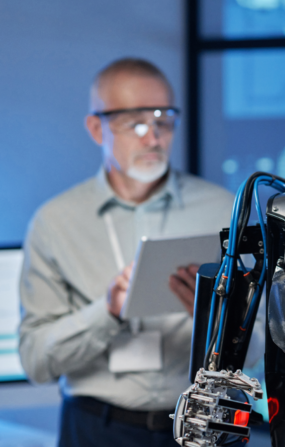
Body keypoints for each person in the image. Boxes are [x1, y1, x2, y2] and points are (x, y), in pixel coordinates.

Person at [18, 58, 233, 447]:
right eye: (134, 122)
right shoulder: (54, 222)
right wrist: (108, 312)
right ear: (96, 128)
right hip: (95, 427)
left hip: (200, 426)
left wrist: (210, 318)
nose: (153, 137)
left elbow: (254, 351)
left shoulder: (223, 210)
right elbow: (36, 362)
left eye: (164, 119)